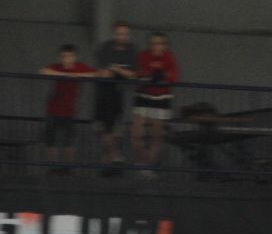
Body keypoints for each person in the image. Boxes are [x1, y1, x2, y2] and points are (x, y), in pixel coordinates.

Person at [39, 45, 101, 170]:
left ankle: (69, 168)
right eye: (64, 56)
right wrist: (65, 75)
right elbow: (43, 71)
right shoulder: (57, 67)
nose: (67, 59)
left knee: (69, 142)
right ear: (60, 58)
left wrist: (77, 75)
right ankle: (53, 167)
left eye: (70, 56)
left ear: (75, 57)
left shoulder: (80, 67)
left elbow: (98, 73)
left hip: (70, 111)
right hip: (53, 109)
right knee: (51, 141)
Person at [130, 31, 180, 175]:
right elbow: (138, 74)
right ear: (150, 45)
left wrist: (162, 75)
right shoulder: (143, 56)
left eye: (160, 44)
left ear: (165, 46)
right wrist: (148, 76)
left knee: (156, 135)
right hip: (143, 96)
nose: (157, 47)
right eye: (154, 43)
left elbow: (174, 76)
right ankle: (141, 162)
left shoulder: (169, 57)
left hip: (161, 98)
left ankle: (148, 166)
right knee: (136, 133)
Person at [92, 21, 137, 174]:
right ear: (114, 34)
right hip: (104, 93)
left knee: (116, 129)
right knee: (104, 128)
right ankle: (111, 159)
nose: (122, 36)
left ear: (128, 35)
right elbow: (104, 72)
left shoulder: (131, 50)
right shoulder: (106, 47)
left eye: (124, 34)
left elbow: (132, 74)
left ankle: (113, 160)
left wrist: (116, 68)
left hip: (120, 94)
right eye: (119, 33)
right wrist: (120, 71)